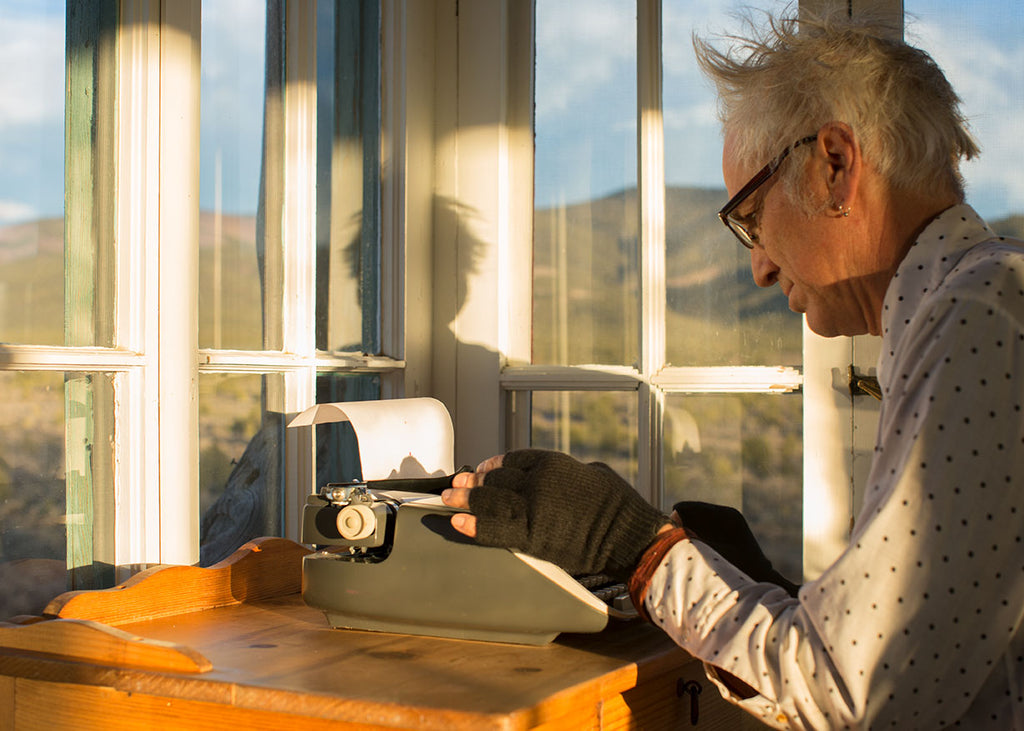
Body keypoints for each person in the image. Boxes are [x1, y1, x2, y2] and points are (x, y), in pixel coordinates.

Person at [442, 8, 1024, 730]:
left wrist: (634, 547)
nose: (757, 267)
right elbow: (938, 659)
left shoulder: (978, 314)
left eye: (750, 216)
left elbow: (853, 696)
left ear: (836, 164)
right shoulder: (978, 305)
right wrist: (761, 586)